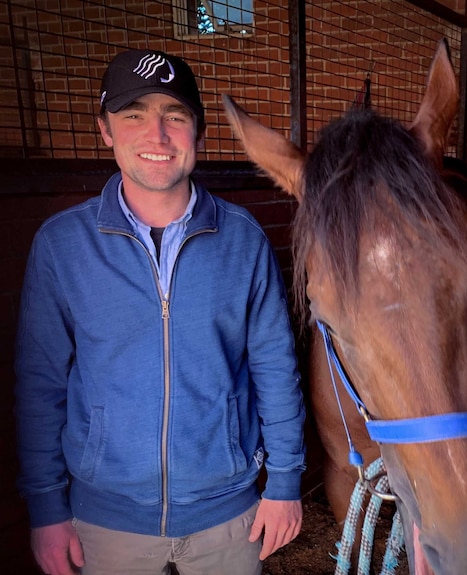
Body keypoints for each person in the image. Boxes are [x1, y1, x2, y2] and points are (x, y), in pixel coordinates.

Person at [14, 49, 306, 575]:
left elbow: (274, 368)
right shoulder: (62, 246)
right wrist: (46, 509)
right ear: (105, 130)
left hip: (229, 515)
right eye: (133, 115)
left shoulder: (243, 240)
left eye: (175, 116)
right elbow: (40, 385)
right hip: (105, 522)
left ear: (198, 131)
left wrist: (285, 482)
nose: (158, 135)